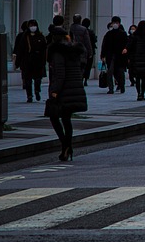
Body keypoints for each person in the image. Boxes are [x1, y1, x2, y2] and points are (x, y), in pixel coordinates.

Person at [45, 22, 86, 161]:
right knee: (66, 119)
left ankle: (65, 145)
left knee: (54, 116)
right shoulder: (73, 50)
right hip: (73, 88)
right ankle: (67, 148)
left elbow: (60, 74)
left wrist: (55, 91)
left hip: (63, 89)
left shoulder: (57, 52)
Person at [13, 20, 47, 103]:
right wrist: (18, 62)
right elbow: (20, 50)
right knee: (27, 80)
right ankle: (29, 96)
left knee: (38, 79)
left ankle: (37, 91)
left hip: (38, 62)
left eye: (34, 25)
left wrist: (44, 61)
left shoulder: (41, 36)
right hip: (27, 61)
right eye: (31, 25)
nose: (33, 27)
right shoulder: (24, 37)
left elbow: (44, 50)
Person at [125, 20, 145, 101]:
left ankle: (138, 94)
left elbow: (130, 47)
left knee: (138, 78)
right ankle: (143, 94)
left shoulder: (134, 36)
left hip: (136, 59)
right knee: (144, 78)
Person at [100, 17, 129, 94]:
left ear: (119, 24)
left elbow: (127, 45)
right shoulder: (109, 34)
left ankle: (122, 86)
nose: (115, 24)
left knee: (120, 72)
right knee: (110, 72)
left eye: (117, 23)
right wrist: (103, 56)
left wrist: (126, 51)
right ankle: (111, 88)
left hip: (120, 56)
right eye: (114, 23)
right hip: (110, 56)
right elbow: (104, 45)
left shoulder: (123, 34)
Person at [69, 15, 92, 86]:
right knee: (82, 67)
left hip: (71, 51)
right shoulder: (84, 29)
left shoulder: (70, 28)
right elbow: (87, 42)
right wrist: (90, 52)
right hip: (82, 51)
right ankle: (80, 80)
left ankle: (74, 81)